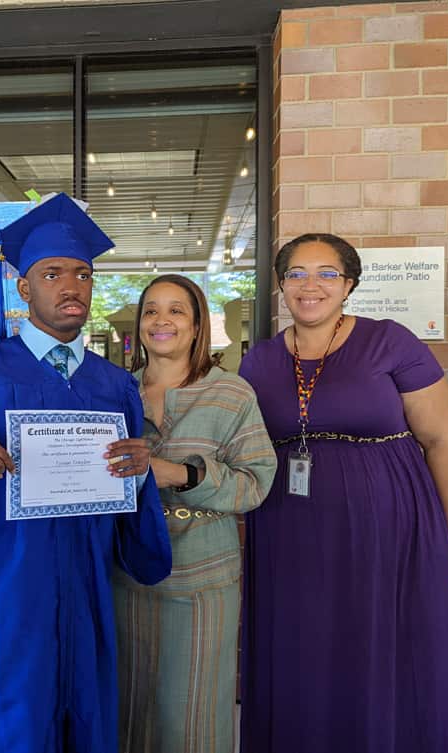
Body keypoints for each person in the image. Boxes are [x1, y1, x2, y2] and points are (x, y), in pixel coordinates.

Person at [0, 192, 172, 753]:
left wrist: (139, 469)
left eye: (82, 274)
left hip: (88, 583)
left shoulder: (114, 385)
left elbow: (129, 508)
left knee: (83, 716)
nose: (71, 286)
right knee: (1, 720)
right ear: (24, 289)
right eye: (51, 274)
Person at [237, 233, 448, 753]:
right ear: (281, 285)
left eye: (327, 273)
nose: (311, 286)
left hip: (390, 527)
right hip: (290, 531)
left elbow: (443, 442)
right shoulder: (257, 361)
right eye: (297, 274)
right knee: (303, 647)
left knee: (384, 646)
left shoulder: (389, 342)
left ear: (349, 283)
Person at [114, 274, 276, 753]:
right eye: (150, 311)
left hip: (203, 577)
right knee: (127, 707)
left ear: (198, 322)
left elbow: (256, 484)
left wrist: (182, 475)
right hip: (124, 574)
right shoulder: (113, 393)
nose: (161, 321)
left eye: (176, 310)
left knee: (193, 716)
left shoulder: (232, 394)